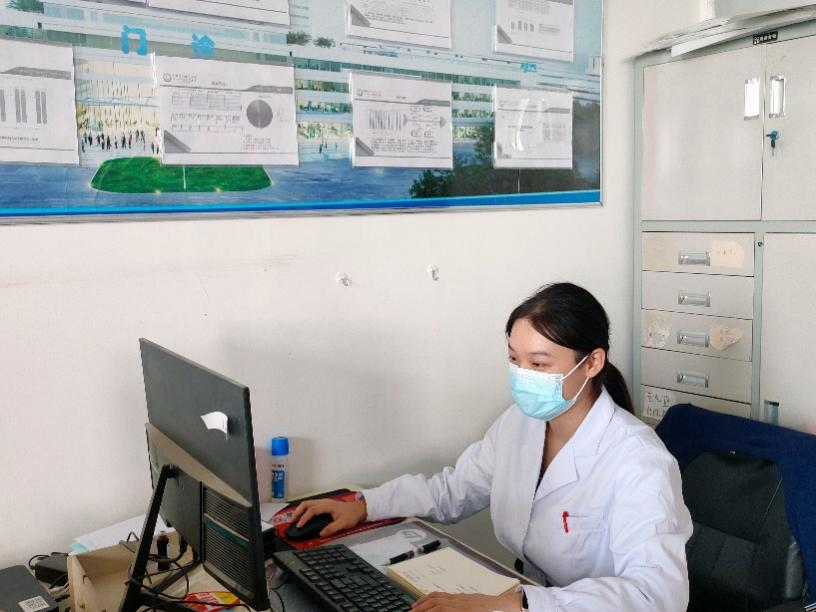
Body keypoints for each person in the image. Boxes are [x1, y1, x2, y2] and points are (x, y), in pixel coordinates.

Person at [292, 282, 693, 611]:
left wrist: (516, 606)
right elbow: (453, 490)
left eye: (539, 365)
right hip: (524, 593)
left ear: (591, 363)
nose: (523, 376)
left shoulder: (638, 459)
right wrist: (365, 505)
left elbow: (656, 596)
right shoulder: (520, 423)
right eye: (515, 360)